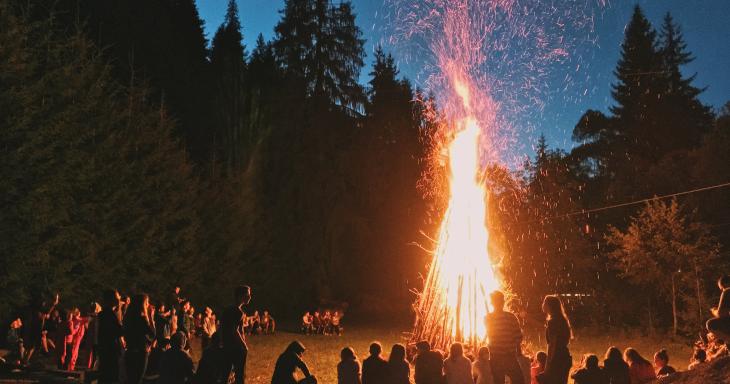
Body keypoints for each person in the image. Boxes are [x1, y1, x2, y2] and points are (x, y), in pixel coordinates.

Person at [486, 290, 524, 384]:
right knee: (519, 380)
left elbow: (491, 336)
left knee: (498, 381)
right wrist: (517, 350)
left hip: (496, 356)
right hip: (509, 356)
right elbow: (518, 337)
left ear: (492, 303)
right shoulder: (511, 317)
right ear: (503, 302)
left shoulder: (488, 318)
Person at [538, 295, 572, 384]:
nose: (542, 305)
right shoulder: (562, 320)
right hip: (565, 356)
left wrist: (548, 365)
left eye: (544, 302)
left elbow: (552, 345)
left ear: (550, 306)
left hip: (557, 359)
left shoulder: (552, 322)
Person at [221, 285, 251, 384]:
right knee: (240, 375)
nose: (249, 297)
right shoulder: (238, 312)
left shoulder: (227, 309)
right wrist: (243, 345)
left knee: (225, 372)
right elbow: (235, 330)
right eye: (247, 295)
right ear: (240, 296)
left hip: (226, 345)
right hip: (237, 348)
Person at [123, 293, 156, 384]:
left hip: (130, 351)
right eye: (147, 303)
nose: (149, 305)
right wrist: (150, 316)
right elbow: (152, 333)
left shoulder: (128, 317)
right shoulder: (142, 318)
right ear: (143, 304)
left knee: (130, 380)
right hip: (140, 353)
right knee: (138, 380)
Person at [98, 289, 124, 383]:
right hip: (111, 352)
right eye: (117, 297)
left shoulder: (106, 314)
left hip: (107, 351)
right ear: (110, 299)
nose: (119, 299)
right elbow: (118, 331)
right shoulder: (108, 314)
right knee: (111, 377)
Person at [707, 275, 730, 341]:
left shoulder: (727, 291)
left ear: (724, 285)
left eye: (721, 289)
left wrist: (714, 310)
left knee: (710, 324)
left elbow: (721, 314)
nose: (722, 290)